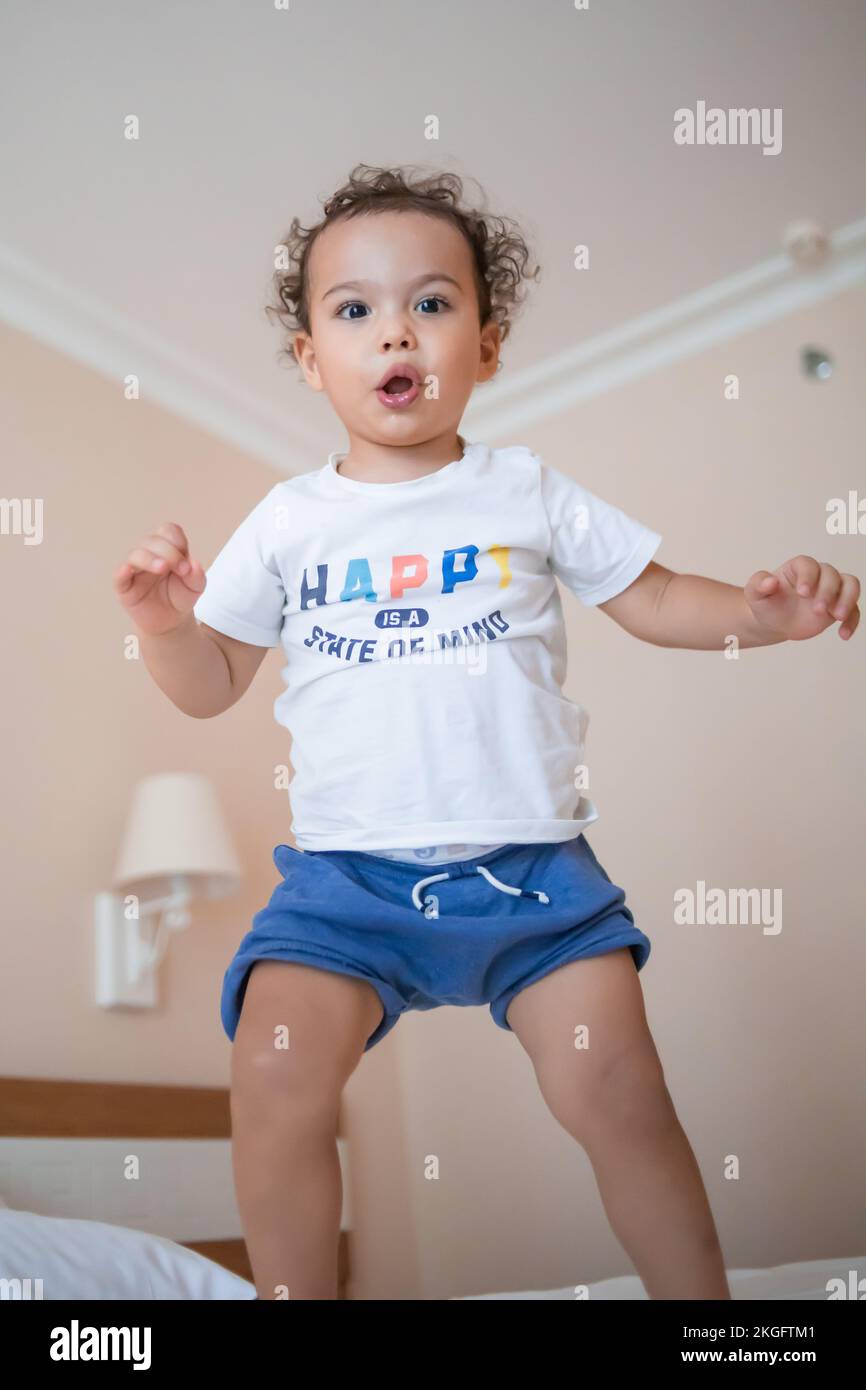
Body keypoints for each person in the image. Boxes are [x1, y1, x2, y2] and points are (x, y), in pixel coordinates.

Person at [113, 164, 860, 1301]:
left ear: (486, 342)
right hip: (344, 886)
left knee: (620, 1097)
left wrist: (760, 613)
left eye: (431, 301)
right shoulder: (287, 520)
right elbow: (209, 681)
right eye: (353, 310)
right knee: (270, 1082)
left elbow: (655, 600)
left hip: (531, 875)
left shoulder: (525, 490)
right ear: (313, 360)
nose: (394, 331)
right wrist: (167, 624)